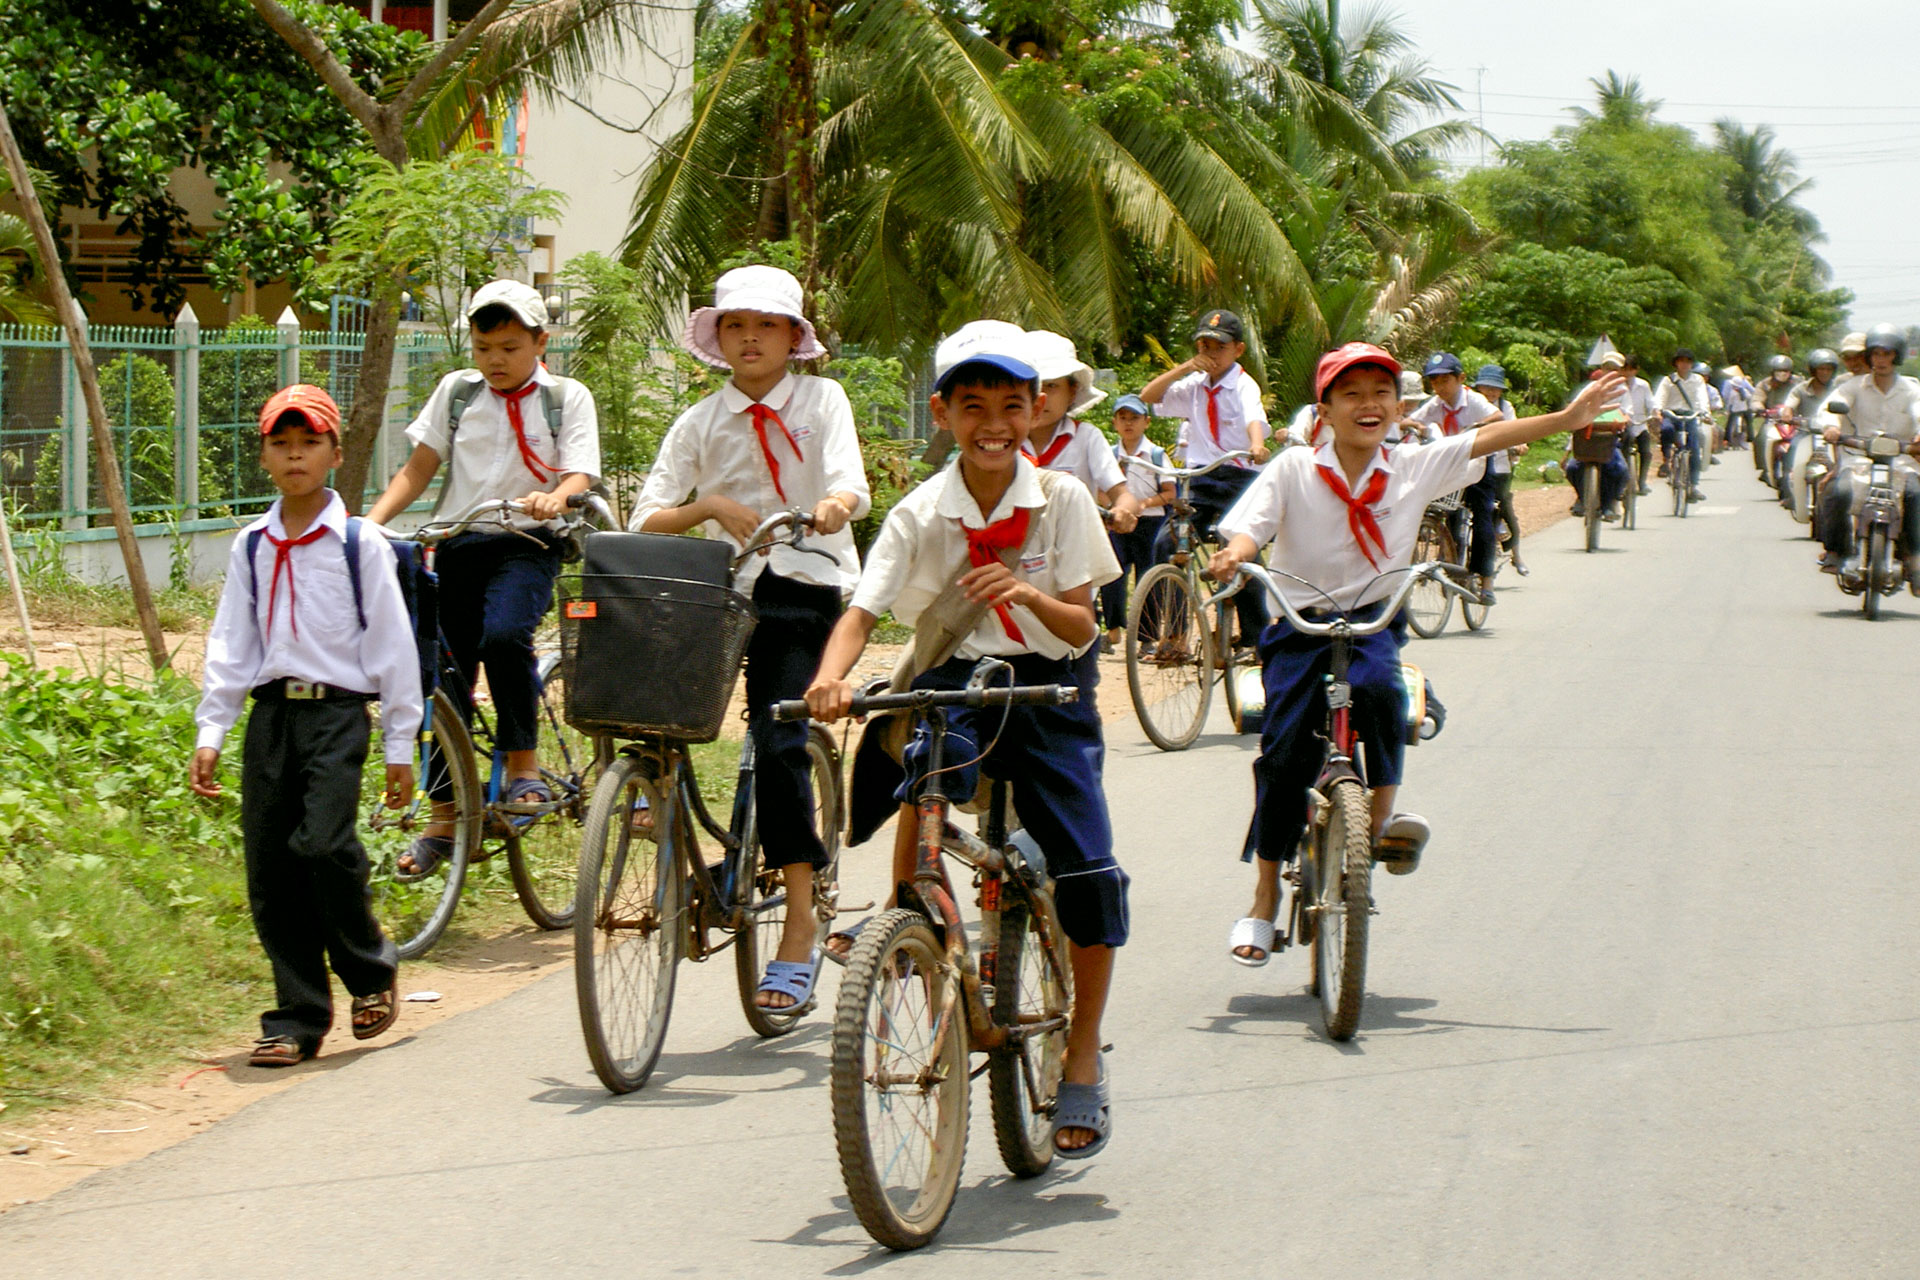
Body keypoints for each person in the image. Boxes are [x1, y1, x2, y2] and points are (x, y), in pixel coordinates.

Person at [807, 320, 1126, 1157]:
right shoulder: (920, 511)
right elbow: (863, 612)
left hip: (1046, 691)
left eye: (1012, 405)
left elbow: (1084, 629)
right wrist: (829, 680)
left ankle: (1084, 1055)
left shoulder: (1061, 500)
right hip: (956, 688)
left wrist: (1024, 594)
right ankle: (909, 914)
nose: (994, 421)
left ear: (1035, 412)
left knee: (1090, 873)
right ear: (942, 412)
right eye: (973, 404)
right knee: (920, 771)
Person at [1207, 343, 1624, 965]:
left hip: (1373, 622)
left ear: (1399, 408)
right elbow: (1253, 524)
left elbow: (1486, 440)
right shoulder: (1293, 469)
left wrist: (1565, 421)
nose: (1368, 405)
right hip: (1300, 625)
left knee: (1382, 693)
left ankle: (1376, 823)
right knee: (1284, 752)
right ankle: (1264, 895)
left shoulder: (1412, 465)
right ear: (1324, 410)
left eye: (1381, 393)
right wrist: (1237, 554)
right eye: (1351, 394)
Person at [630, 264, 871, 1011]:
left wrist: (829, 507)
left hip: (802, 584)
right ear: (719, 338)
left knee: (777, 742)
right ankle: (645, 807)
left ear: (794, 337)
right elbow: (645, 519)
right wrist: (706, 505)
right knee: (644, 706)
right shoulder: (700, 421)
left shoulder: (822, 400)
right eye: (735, 325)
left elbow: (851, 485)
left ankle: (799, 921)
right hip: (717, 591)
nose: (749, 338)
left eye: (765, 325)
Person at [191, 385, 421, 1067]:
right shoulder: (252, 545)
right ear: (263, 454)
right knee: (269, 866)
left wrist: (400, 745)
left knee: (322, 845)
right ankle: (295, 1017)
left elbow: (392, 645)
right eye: (281, 444)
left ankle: (371, 972)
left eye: (309, 443)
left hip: (336, 713)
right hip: (271, 717)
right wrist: (212, 732)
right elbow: (231, 642)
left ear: (334, 454)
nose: (295, 456)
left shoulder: (360, 542)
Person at [365, 280, 601, 878]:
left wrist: (556, 497)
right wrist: (369, 525)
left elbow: (580, 476)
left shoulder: (566, 398)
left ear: (540, 342)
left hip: (527, 542)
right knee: (441, 680)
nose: (495, 360)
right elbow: (419, 469)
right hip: (455, 545)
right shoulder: (458, 393)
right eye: (483, 346)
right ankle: (446, 822)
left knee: (504, 635)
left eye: (510, 347)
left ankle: (522, 767)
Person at [1140, 309, 1272, 641]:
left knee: (1240, 554)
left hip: (1238, 479)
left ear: (1238, 350)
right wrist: (1185, 367)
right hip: (1199, 480)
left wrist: (1257, 445)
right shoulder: (1193, 385)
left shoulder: (1243, 384)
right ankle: (1174, 634)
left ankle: (1258, 638)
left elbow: (1253, 418)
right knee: (1165, 544)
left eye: (1219, 347)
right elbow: (1148, 397)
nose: (1210, 354)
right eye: (1204, 346)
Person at [1021, 329, 1141, 660]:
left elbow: (1121, 492)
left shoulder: (1086, 438)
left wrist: (1124, 511)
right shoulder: (1004, 440)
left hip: (1071, 577)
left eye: (1052, 386)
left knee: (1073, 663)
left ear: (1073, 391)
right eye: (1032, 387)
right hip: (1015, 569)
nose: (1041, 397)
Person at [1818, 324, 1920, 588]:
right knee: (1838, 492)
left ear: (1897, 356)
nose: (1881, 360)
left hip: (1901, 462)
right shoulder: (1854, 386)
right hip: (1859, 459)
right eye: (1876, 354)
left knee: (1915, 495)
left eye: (1887, 354)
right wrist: (1830, 425)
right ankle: (1840, 552)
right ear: (1869, 358)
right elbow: (1829, 407)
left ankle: (1914, 558)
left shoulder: (1911, 389)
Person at [1403, 353, 1499, 592]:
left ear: (1461, 379)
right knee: (1446, 510)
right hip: (1452, 466)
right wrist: (1414, 425)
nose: (1439, 387)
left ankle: (1485, 578)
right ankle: (1450, 564)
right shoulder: (1435, 405)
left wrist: (1478, 426)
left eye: (1445, 380)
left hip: (1479, 463)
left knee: (1482, 516)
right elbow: (1410, 420)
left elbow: (1498, 416)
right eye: (1434, 382)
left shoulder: (1473, 400)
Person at [1102, 393, 1174, 649]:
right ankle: (1112, 632)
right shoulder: (1109, 454)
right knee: (1111, 575)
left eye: (1134, 418)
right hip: (1117, 523)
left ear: (1146, 422)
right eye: (1123, 418)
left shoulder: (1155, 454)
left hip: (1150, 525)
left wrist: (1145, 503)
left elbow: (1169, 492)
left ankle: (1147, 638)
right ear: (1115, 422)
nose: (1128, 423)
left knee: (1148, 580)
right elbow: (1102, 488)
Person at [1473, 364, 1528, 575]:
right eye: (1487, 387)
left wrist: (1519, 444)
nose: (1491, 392)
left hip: (1499, 465)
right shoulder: (1472, 403)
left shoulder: (1506, 408)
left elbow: (1515, 430)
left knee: (1504, 505)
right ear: (1479, 387)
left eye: (1495, 388)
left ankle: (1516, 554)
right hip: (1471, 465)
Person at [1563, 354, 1631, 520]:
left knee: (1619, 470)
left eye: (1614, 369)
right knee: (1572, 468)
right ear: (1602, 369)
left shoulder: (1622, 389)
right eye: (1608, 368)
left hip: (1609, 438)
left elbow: (1628, 413)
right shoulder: (1591, 388)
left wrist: (1622, 420)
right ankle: (1582, 497)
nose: (1610, 372)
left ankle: (1610, 503)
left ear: (1620, 371)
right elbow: (1575, 405)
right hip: (1587, 437)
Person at [1781, 348, 1841, 509]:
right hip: (1805, 433)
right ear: (1813, 370)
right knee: (1791, 455)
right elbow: (1790, 403)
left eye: (1828, 369)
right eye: (1821, 368)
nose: (1825, 372)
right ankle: (1790, 495)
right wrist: (1787, 413)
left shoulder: (1839, 390)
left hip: (1830, 435)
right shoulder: (1800, 389)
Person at [1654, 348, 1712, 502]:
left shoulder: (1698, 380)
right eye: (1681, 361)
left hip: (1690, 415)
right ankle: (1666, 460)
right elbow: (1660, 397)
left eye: (1688, 361)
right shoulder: (1669, 380)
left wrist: (1705, 412)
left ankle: (1693, 486)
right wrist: (1658, 411)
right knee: (1666, 430)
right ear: (1676, 363)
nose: (1684, 365)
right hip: (1671, 414)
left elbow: (1702, 397)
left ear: (1692, 364)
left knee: (1693, 448)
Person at [1622, 355, 1656, 495]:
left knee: (1646, 452)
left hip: (1640, 424)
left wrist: (1654, 414)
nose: (1628, 373)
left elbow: (1650, 403)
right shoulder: (1617, 386)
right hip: (1623, 425)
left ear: (1636, 370)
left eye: (1631, 370)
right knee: (1622, 449)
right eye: (1625, 369)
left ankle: (1642, 481)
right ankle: (1623, 481)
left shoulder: (1643, 385)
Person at [1720, 365, 1754, 450]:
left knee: (1729, 424)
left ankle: (1727, 440)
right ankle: (1751, 438)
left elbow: (1726, 397)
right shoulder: (1744, 385)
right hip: (1745, 409)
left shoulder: (1729, 386)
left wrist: (1726, 409)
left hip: (1735, 410)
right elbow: (1751, 393)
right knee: (1749, 423)